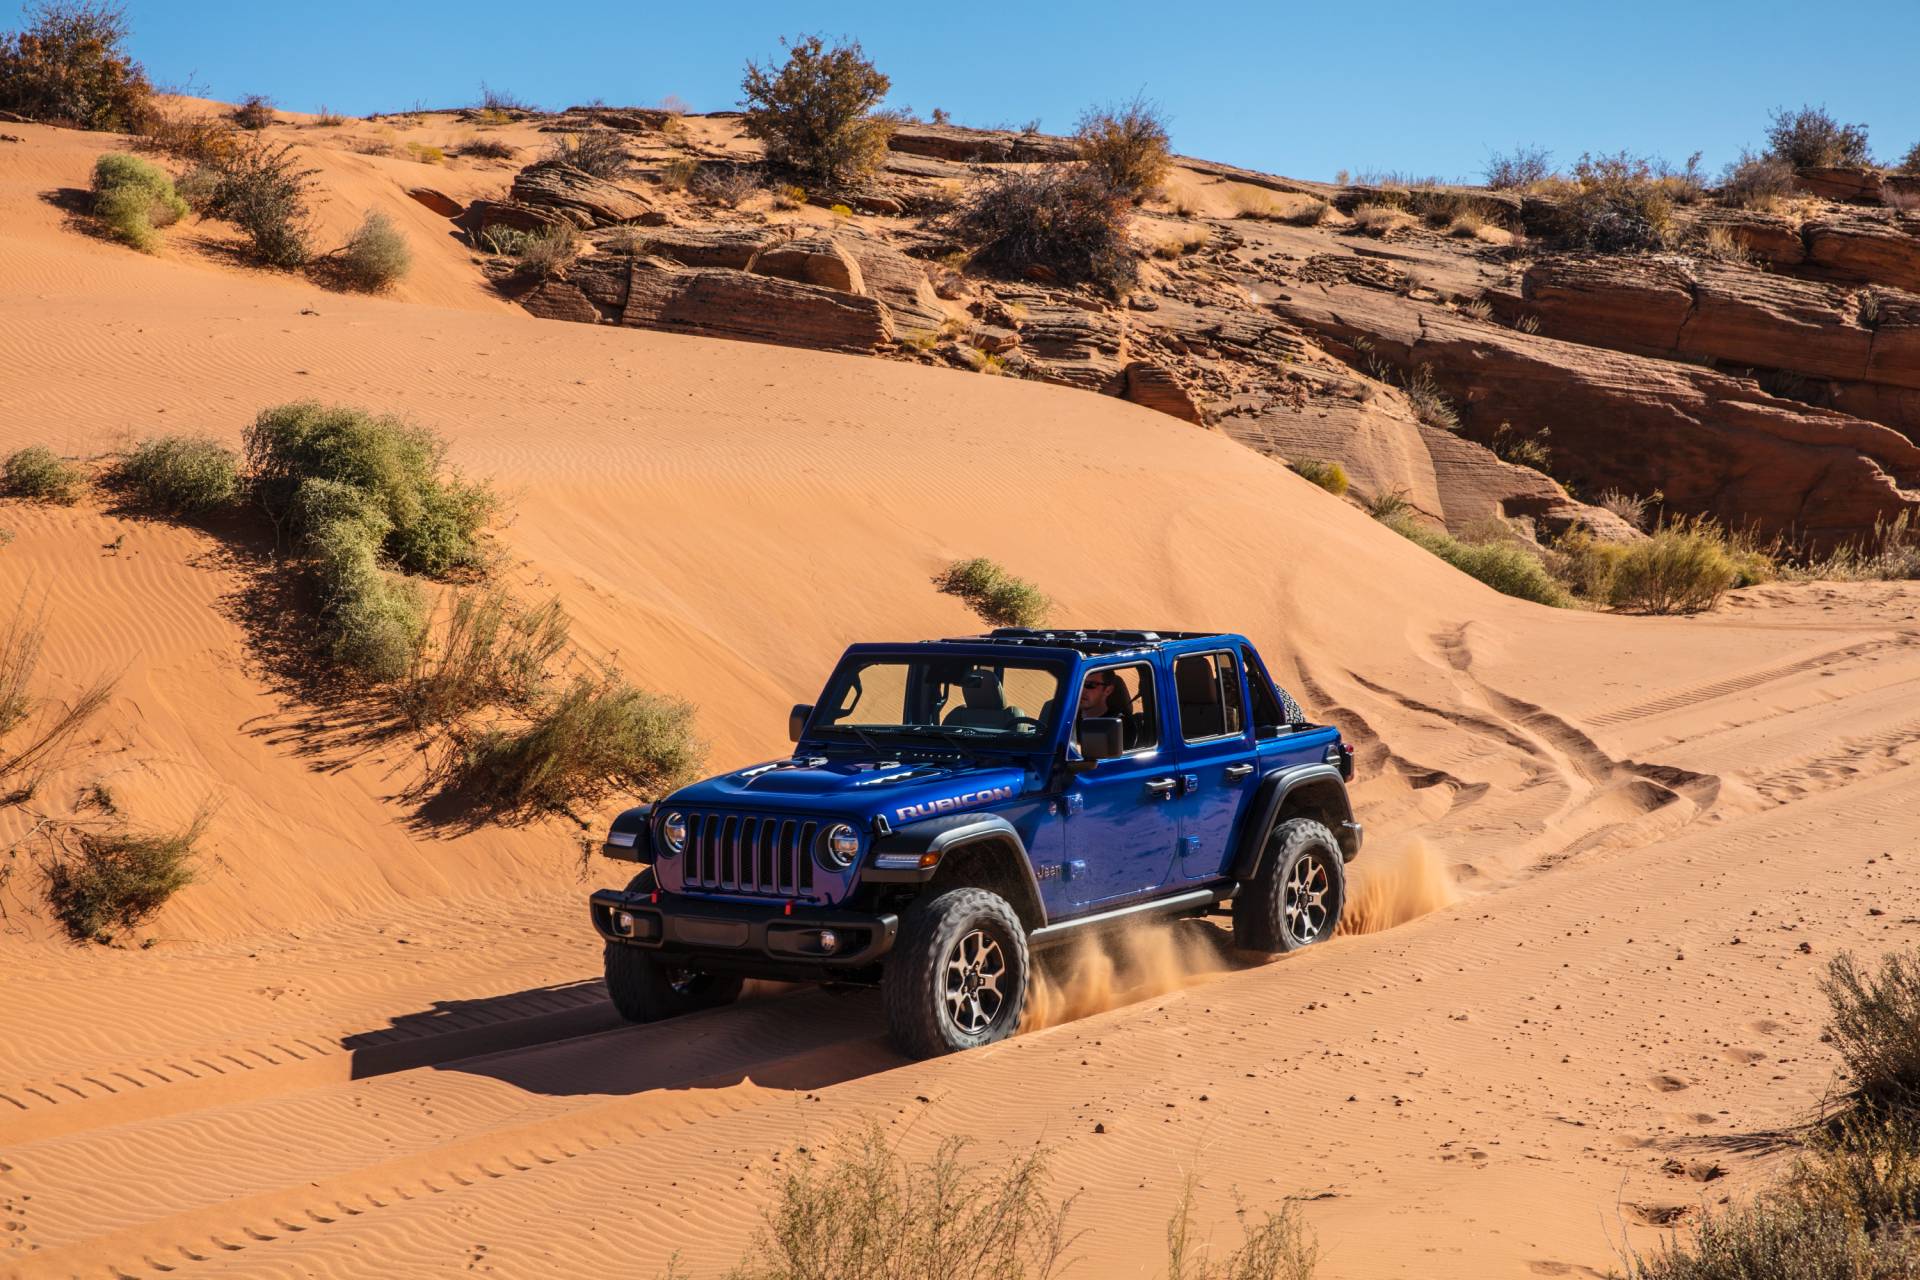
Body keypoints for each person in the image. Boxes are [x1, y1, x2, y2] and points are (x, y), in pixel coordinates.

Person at [1076, 668, 1137, 749]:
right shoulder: (1064, 718)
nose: (1082, 690)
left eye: (1090, 684)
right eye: (1079, 684)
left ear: (1108, 690)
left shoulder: (1121, 725)